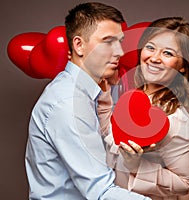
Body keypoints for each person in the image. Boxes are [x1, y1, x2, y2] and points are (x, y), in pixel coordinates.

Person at [25, 2, 151, 200]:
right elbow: (100, 191)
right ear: (78, 45)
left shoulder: (85, 94)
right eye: (108, 41)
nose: (119, 51)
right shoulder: (68, 102)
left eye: (120, 41)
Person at [101, 17, 189, 200]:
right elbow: (107, 137)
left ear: (182, 66)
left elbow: (185, 183)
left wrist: (137, 165)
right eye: (150, 47)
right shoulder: (133, 98)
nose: (154, 58)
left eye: (167, 53)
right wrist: (103, 92)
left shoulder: (176, 119)